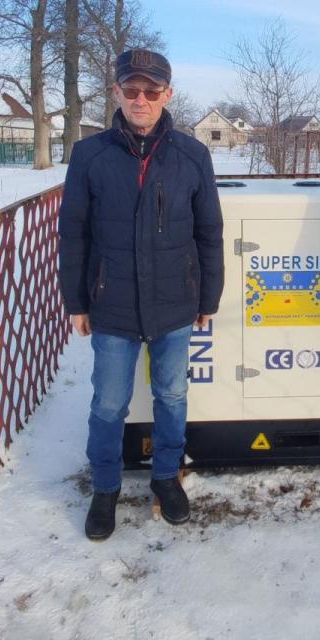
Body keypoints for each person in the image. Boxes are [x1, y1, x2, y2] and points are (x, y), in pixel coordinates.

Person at [59, 48, 224, 541]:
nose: (141, 99)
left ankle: (166, 477)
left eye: (151, 91)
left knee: (172, 395)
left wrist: (208, 298)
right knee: (110, 403)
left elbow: (209, 232)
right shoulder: (90, 155)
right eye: (131, 90)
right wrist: (76, 301)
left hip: (175, 302)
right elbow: (73, 233)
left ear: (167, 94)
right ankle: (105, 488)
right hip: (112, 304)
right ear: (116, 92)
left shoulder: (192, 155)